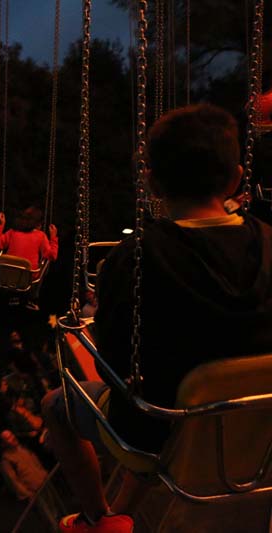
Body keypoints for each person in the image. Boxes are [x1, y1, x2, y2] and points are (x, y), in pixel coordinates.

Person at [41, 103, 272, 532]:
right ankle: (122, 512)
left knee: (58, 404)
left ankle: (98, 518)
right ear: (237, 178)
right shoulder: (268, 240)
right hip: (260, 422)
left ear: (152, 183)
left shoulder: (134, 258)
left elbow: (114, 365)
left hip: (165, 431)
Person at [0, 207, 58, 310]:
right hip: (29, 276)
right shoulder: (40, 236)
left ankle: (13, 295)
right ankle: (32, 298)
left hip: (7, 274)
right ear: (38, 224)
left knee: (14, 267)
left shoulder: (12, 232)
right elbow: (52, 256)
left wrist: (1, 225)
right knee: (44, 264)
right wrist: (53, 237)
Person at [0, 430, 49, 501]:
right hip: (35, 492)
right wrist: (28, 494)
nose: (13, 438)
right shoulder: (6, 460)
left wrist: (44, 473)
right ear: (3, 444)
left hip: (45, 483)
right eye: (8, 438)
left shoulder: (23, 448)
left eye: (12, 435)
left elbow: (35, 461)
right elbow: (13, 481)